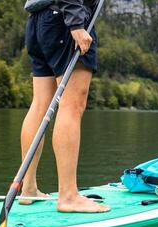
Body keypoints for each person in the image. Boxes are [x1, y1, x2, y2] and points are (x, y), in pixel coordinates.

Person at [21, 0, 110, 213]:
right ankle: (68, 196)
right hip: (65, 20)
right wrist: (76, 24)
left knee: (40, 104)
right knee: (71, 105)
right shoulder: (72, 20)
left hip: (39, 20)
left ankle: (29, 189)